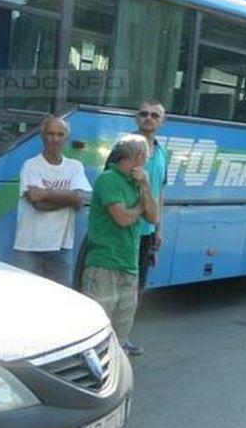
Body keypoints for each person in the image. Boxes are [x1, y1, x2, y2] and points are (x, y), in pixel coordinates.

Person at [83, 133, 159, 356]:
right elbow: (123, 218)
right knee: (95, 330)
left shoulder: (136, 183)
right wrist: (139, 209)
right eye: (145, 158)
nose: (146, 162)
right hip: (104, 264)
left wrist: (145, 187)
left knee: (120, 333)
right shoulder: (109, 179)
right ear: (137, 157)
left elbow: (153, 218)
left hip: (129, 264)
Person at [13, 116, 90, 285]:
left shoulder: (75, 166)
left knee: (60, 301)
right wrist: (69, 198)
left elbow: (80, 200)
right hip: (30, 248)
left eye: (60, 134)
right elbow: (38, 203)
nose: (55, 139)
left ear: (66, 138)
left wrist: (46, 193)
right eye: (51, 134)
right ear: (43, 136)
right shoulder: (31, 165)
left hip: (61, 248)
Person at [133, 99, 169, 288]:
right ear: (136, 118)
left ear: (162, 122)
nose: (149, 118)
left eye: (155, 115)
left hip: (147, 231)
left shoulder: (162, 152)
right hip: (126, 229)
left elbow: (160, 192)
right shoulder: (125, 148)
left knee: (139, 285)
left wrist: (158, 228)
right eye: (144, 114)